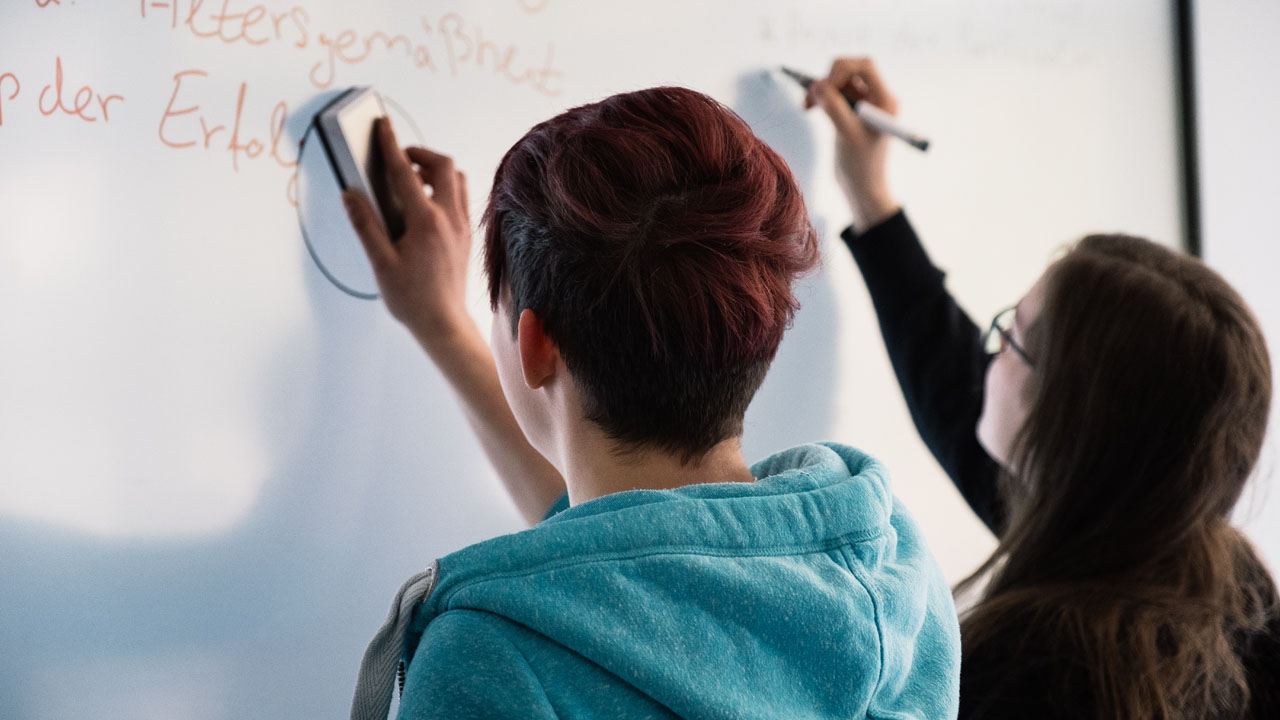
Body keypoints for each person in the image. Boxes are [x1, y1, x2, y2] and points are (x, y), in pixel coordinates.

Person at [342, 87, 960, 719]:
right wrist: (442, 326)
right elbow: (623, 560)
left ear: (532, 343)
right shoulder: (891, 570)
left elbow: (610, 577)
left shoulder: (490, 660)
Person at [804, 57, 1280, 719]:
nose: (988, 353)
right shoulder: (1221, 584)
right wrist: (872, 199)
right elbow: (953, 386)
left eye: (1012, 335)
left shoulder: (1032, 675)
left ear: (1066, 425)